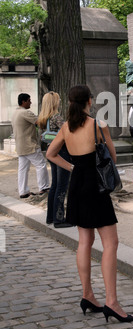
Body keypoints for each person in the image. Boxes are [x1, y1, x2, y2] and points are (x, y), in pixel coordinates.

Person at [46, 84, 133, 323]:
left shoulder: (65, 127)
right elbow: (112, 159)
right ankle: (112, 302)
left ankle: (87, 295)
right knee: (110, 243)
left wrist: (72, 167)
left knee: (84, 241)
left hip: (77, 185)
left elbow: (50, 154)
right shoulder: (98, 125)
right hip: (95, 186)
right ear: (88, 101)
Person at [37, 92, 72, 228]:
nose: (60, 102)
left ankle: (50, 217)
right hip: (62, 152)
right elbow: (68, 130)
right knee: (62, 185)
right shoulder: (56, 117)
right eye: (58, 100)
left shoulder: (43, 118)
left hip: (51, 151)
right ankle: (59, 218)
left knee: (55, 185)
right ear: (54, 102)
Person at [11, 93, 50, 199]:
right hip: (30, 145)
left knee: (23, 169)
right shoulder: (26, 112)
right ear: (23, 102)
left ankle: (23, 191)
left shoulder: (15, 113)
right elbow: (40, 123)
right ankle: (44, 187)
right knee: (41, 164)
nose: (30, 102)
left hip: (20, 146)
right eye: (29, 100)